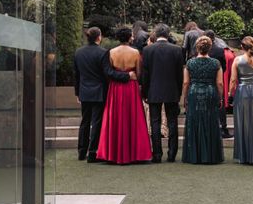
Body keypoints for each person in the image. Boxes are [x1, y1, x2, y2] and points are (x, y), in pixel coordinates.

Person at [73, 27, 135, 162]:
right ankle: (92, 153)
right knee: (96, 122)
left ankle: (81, 152)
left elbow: (76, 75)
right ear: (99, 37)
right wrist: (127, 76)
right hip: (99, 92)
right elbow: (109, 73)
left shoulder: (78, 52)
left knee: (84, 121)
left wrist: (77, 92)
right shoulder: (102, 52)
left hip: (84, 91)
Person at [95, 27, 152, 164]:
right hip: (131, 89)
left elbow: (108, 73)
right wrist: (131, 77)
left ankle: (113, 153)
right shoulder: (136, 52)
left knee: (115, 117)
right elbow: (138, 74)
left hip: (115, 88)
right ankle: (134, 153)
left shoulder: (111, 52)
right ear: (129, 37)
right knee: (133, 118)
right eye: (132, 36)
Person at [142, 23, 184, 163]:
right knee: (172, 122)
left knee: (155, 122)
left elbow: (145, 74)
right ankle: (172, 154)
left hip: (153, 90)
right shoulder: (177, 50)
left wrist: (144, 92)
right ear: (168, 34)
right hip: (172, 91)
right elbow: (180, 75)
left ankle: (157, 154)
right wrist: (179, 92)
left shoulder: (147, 50)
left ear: (155, 34)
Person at [182, 36, 225, 164]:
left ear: (197, 47)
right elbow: (220, 83)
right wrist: (220, 97)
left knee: (194, 120)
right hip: (210, 92)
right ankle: (210, 154)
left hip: (194, 92)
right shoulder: (216, 63)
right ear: (209, 48)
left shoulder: (190, 63)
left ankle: (195, 154)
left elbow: (185, 82)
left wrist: (185, 97)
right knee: (210, 120)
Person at [204, 30, 231, 138]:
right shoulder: (220, 51)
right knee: (220, 105)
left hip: (204, 81)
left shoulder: (198, 50)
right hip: (216, 80)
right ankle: (223, 128)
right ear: (214, 38)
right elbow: (224, 67)